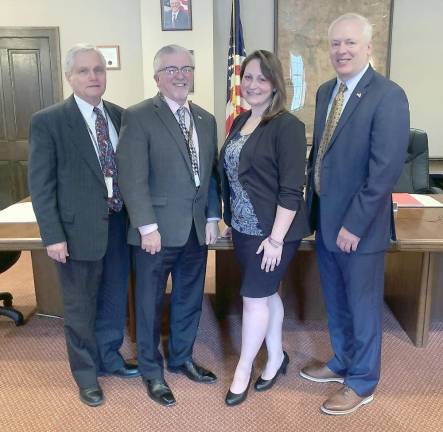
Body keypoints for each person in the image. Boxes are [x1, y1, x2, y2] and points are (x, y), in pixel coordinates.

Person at [301, 13, 410, 415]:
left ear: (368, 47)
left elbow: (384, 171)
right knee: (337, 300)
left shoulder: (388, 95)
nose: (341, 51)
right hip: (326, 220)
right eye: (335, 44)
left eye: (350, 43)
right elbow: (322, 157)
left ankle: (362, 381)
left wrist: (354, 224)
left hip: (358, 228)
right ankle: (343, 361)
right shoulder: (326, 91)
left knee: (363, 306)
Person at [28, 44, 140, 407]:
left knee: (112, 299)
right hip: (75, 234)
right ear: (69, 77)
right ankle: (86, 374)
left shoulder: (121, 116)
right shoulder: (48, 121)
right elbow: (41, 186)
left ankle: (109, 357)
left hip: (117, 226)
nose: (93, 77)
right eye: (84, 71)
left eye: (99, 70)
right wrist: (53, 236)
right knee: (79, 306)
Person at [116, 44, 220, 407]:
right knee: (147, 304)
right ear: (157, 76)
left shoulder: (206, 119)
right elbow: (132, 176)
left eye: (186, 68)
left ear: (193, 73)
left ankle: (181, 358)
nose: (180, 75)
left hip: (194, 231)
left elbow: (209, 176)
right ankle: (151, 371)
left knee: (189, 299)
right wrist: (146, 227)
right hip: (154, 234)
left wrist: (211, 216)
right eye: (171, 69)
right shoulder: (140, 115)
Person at [220, 50, 311, 407]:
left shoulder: (287, 126)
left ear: (274, 83)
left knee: (254, 299)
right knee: (268, 293)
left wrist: (275, 239)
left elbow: (292, 189)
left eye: (262, 77)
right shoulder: (241, 120)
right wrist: (231, 217)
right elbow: (234, 174)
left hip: (273, 233)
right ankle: (276, 358)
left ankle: (244, 369)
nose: (253, 84)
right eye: (248, 77)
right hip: (244, 229)